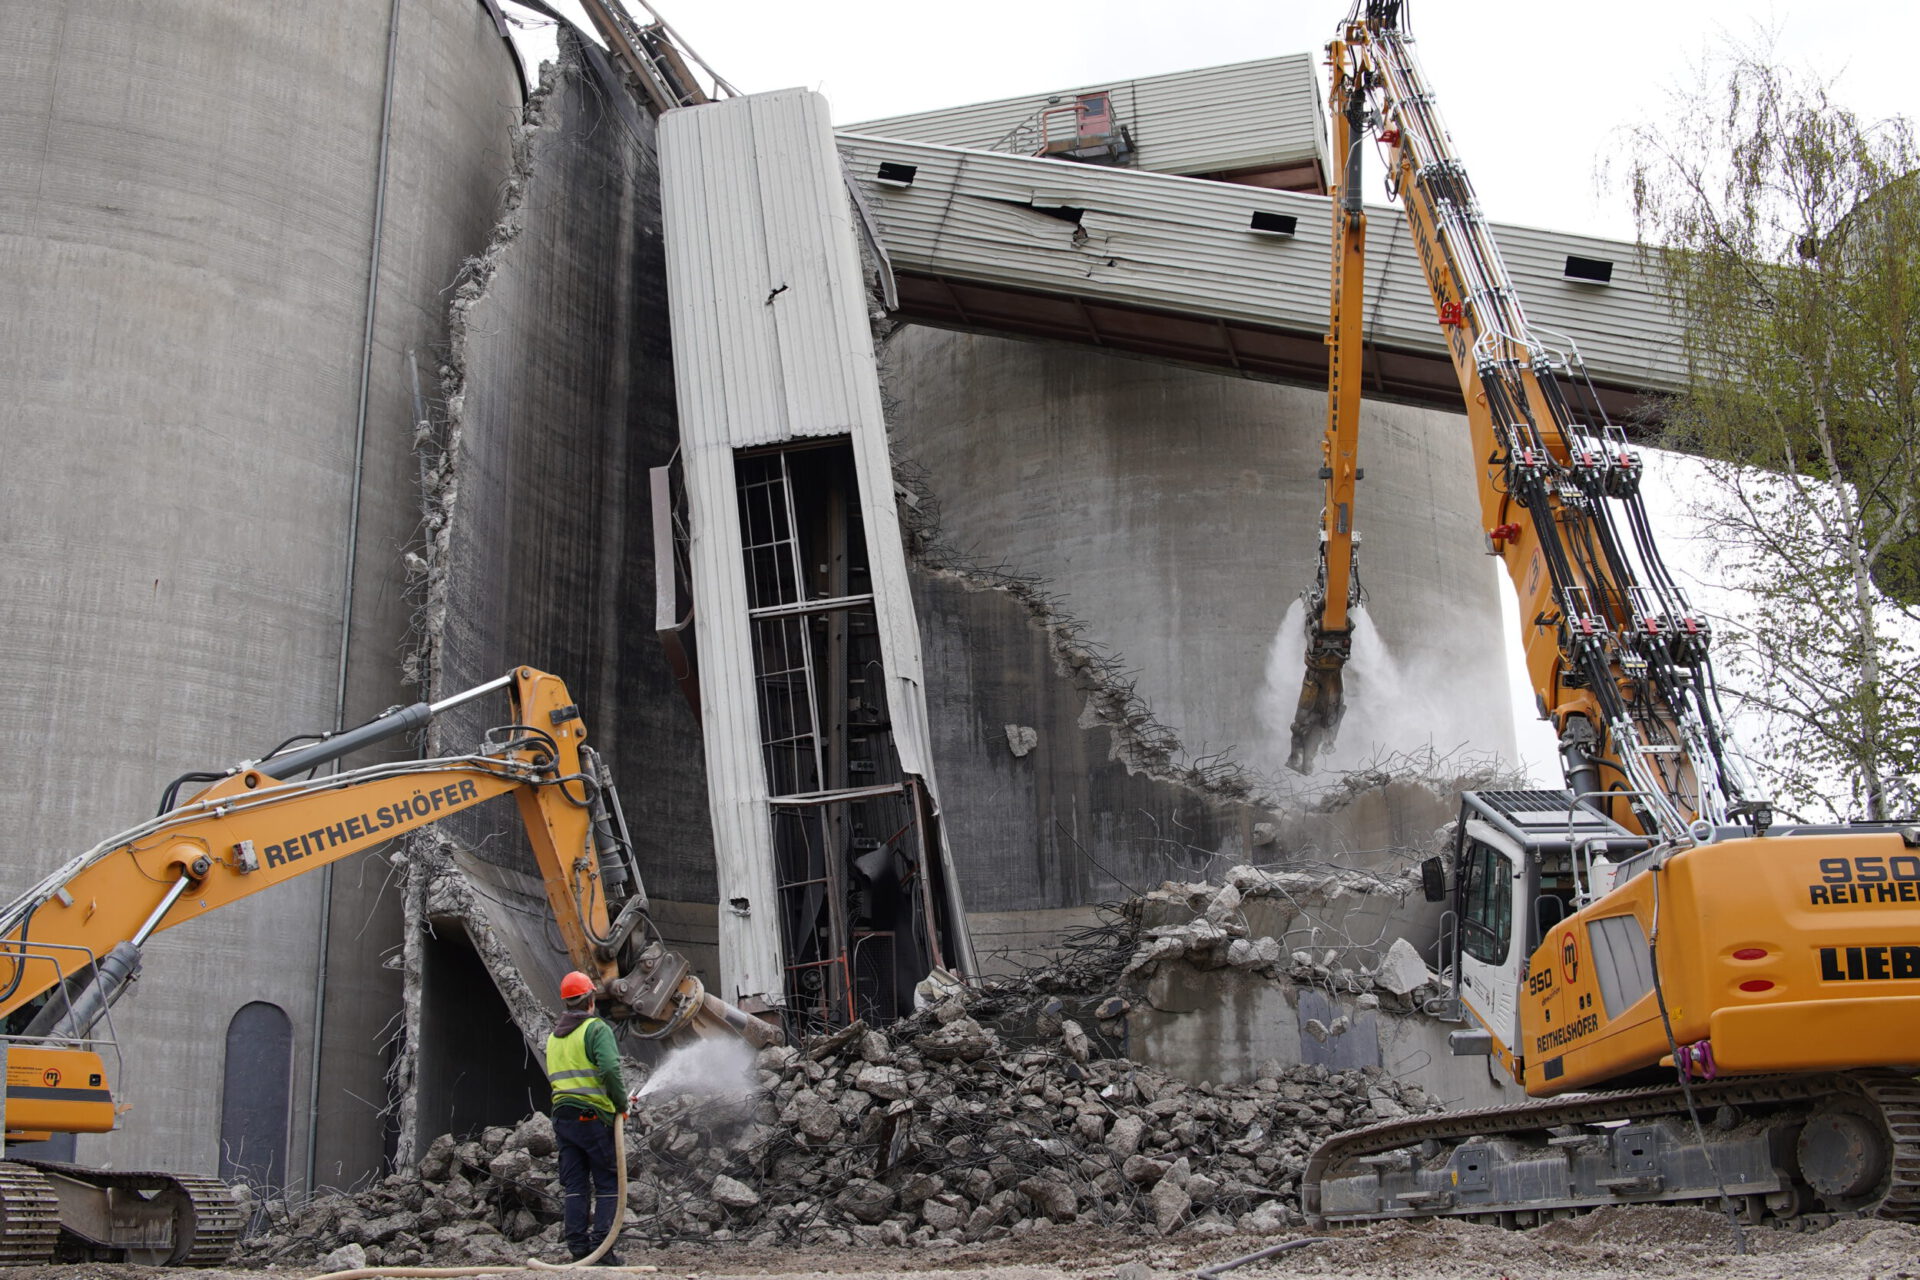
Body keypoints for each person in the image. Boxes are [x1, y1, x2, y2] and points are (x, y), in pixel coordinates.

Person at [546, 970, 626, 1264]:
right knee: (607, 1182)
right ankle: (602, 1251)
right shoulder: (596, 1028)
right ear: (591, 999)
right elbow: (609, 1069)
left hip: (562, 1117)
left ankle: (578, 1248)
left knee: (576, 1184)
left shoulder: (554, 1037)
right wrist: (620, 1104)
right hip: (592, 1116)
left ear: (567, 1003)